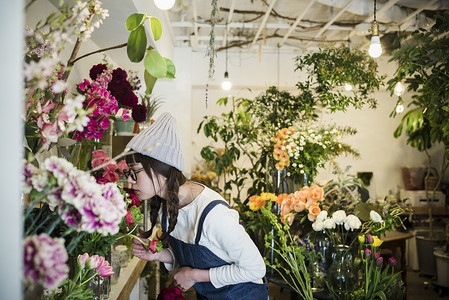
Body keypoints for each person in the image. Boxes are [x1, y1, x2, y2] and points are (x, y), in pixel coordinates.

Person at [125, 113, 268, 299]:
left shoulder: (214, 215)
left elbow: (255, 268)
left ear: (161, 171)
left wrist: (194, 276)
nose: (129, 180)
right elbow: (194, 257)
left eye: (135, 172)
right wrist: (158, 255)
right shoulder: (167, 207)